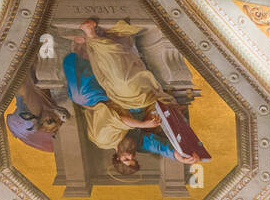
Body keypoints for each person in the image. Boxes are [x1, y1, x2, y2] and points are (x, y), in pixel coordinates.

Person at [67, 19, 201, 176]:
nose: (130, 156)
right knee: (128, 87)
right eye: (133, 159)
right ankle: (94, 42)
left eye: (126, 159)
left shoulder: (103, 141)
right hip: (141, 99)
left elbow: (117, 119)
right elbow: (159, 147)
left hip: (106, 99)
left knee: (121, 83)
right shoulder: (137, 143)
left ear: (117, 158)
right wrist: (177, 155)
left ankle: (91, 38)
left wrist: (142, 124)